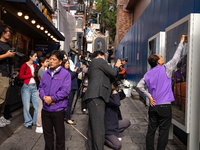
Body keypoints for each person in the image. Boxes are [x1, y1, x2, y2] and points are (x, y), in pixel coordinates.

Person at [136, 35, 186, 150]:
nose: (163, 58)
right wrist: (181, 42)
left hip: (153, 107)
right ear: (158, 62)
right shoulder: (166, 68)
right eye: (161, 57)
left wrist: (149, 96)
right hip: (165, 107)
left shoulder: (148, 74)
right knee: (163, 132)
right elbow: (176, 57)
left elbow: (139, 86)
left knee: (151, 130)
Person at [83, 50, 121, 150]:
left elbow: (109, 78)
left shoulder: (94, 65)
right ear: (100, 55)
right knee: (99, 128)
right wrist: (116, 66)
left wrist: (117, 68)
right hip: (97, 96)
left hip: (93, 97)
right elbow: (113, 72)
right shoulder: (99, 60)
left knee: (93, 128)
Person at [39, 50, 71, 150]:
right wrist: (44, 98)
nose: (51, 61)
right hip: (45, 109)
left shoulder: (65, 74)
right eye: (50, 59)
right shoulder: (46, 73)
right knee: (47, 135)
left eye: (54, 59)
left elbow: (65, 91)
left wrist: (52, 98)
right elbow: (41, 87)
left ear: (60, 61)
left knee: (60, 136)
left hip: (58, 109)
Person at [104, 83, 131, 150]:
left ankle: (115, 135)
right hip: (108, 128)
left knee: (127, 122)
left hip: (114, 124)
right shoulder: (107, 98)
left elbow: (122, 96)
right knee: (117, 146)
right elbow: (117, 103)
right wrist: (115, 92)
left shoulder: (113, 96)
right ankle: (103, 139)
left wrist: (119, 90)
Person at [18, 50, 39, 129]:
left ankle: (35, 121)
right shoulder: (24, 65)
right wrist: (31, 75)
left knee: (37, 105)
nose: (36, 58)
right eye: (35, 56)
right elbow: (20, 77)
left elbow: (36, 77)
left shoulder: (35, 66)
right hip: (26, 87)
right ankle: (28, 122)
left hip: (34, 87)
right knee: (26, 106)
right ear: (30, 56)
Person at [0, 25, 15, 127]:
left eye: (9, 31)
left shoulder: (8, 45)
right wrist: (7, 55)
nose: (8, 33)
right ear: (2, 32)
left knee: (5, 97)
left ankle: (1, 116)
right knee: (1, 97)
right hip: (1, 73)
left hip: (8, 73)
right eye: (6, 31)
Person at [34, 57, 49, 133]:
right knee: (40, 108)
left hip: (42, 91)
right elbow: (45, 82)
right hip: (42, 91)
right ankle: (39, 125)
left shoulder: (43, 70)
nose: (48, 62)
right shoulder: (42, 70)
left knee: (42, 108)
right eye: (46, 61)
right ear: (42, 63)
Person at [62, 59, 78, 125]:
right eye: (66, 63)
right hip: (69, 89)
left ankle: (66, 117)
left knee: (69, 104)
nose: (68, 65)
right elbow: (69, 77)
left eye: (68, 63)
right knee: (68, 104)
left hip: (73, 88)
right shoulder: (64, 72)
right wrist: (75, 71)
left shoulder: (68, 71)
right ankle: (68, 119)